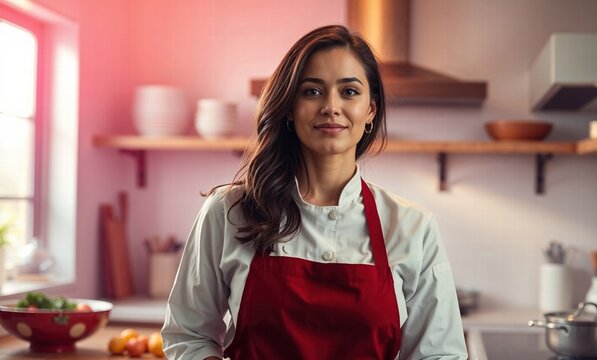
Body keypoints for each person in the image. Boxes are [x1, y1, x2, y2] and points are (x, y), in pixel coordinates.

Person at [161, 24, 468, 360]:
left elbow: (438, 355)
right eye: (312, 91)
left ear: (371, 110)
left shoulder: (412, 227)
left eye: (349, 92)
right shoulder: (229, 212)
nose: (331, 107)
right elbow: (188, 335)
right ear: (290, 108)